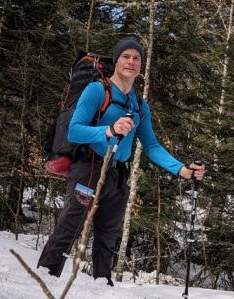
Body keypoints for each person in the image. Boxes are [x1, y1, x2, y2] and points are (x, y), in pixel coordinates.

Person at [38, 38, 205, 285]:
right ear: (116, 61)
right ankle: (44, 278)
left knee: (107, 235)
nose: (131, 61)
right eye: (126, 56)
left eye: (136, 58)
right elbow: (74, 131)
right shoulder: (97, 90)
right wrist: (108, 130)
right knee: (70, 227)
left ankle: (102, 286)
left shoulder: (139, 103)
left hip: (118, 175)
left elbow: (152, 146)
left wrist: (182, 170)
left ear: (140, 66)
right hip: (90, 167)